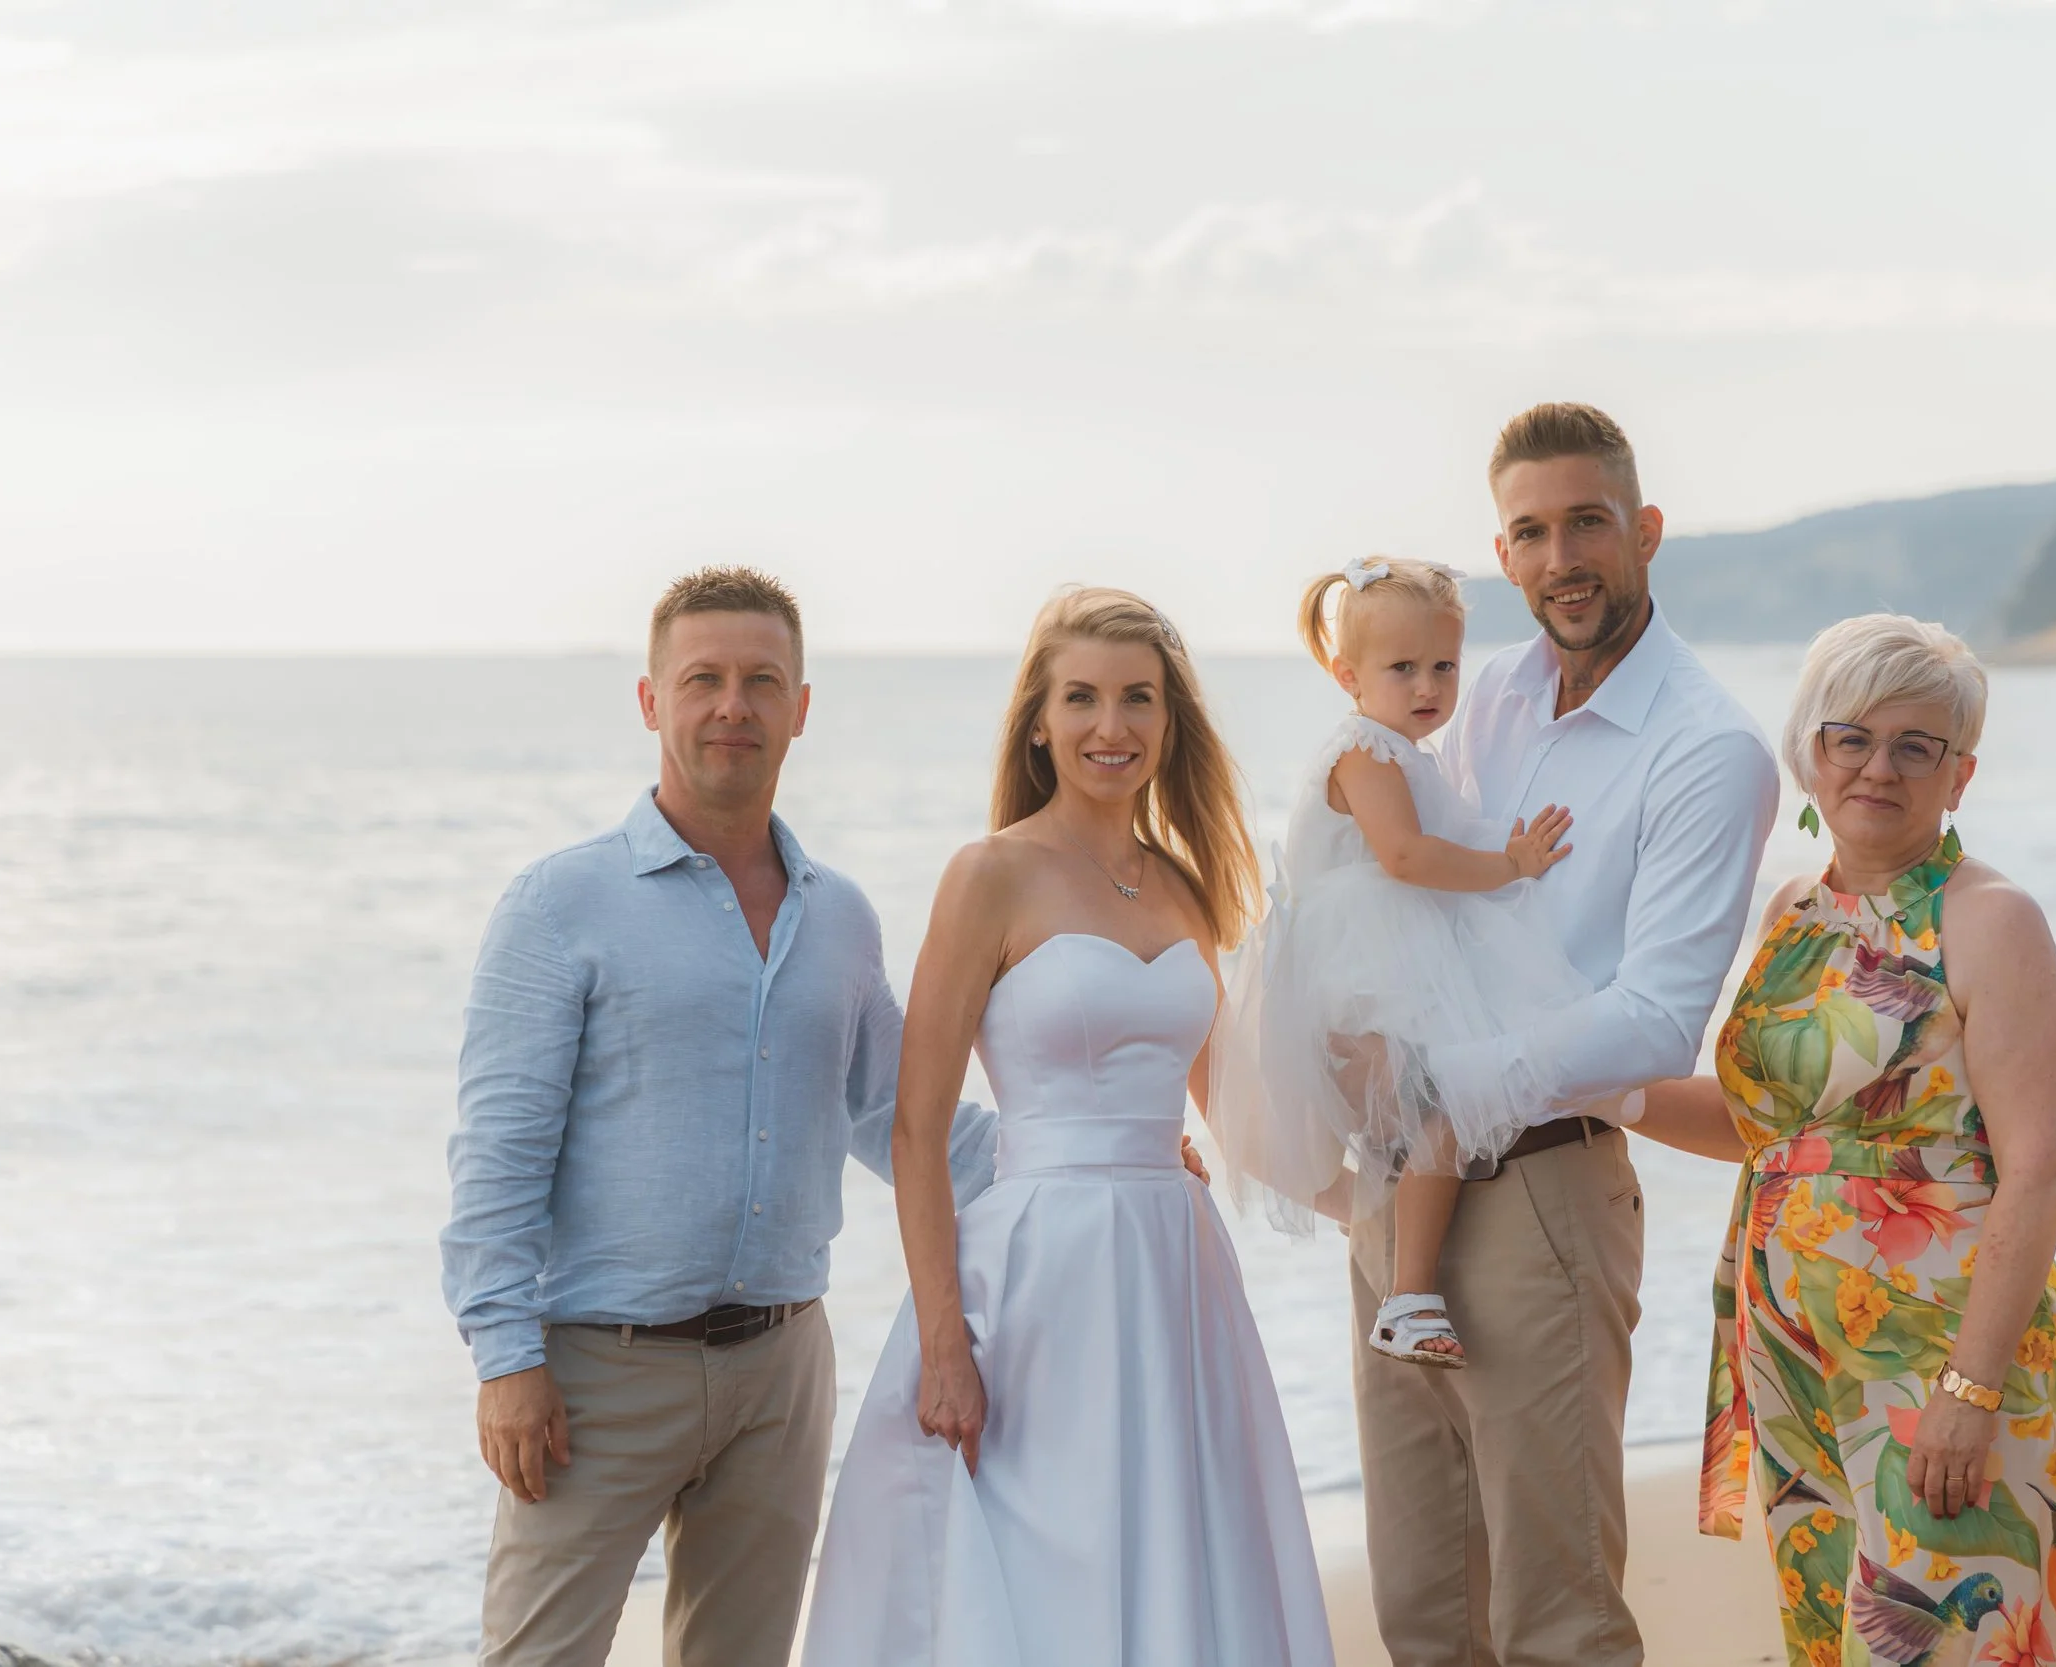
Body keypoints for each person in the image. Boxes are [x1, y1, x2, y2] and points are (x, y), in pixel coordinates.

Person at [441, 567, 1011, 1667]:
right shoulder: (559, 903)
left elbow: (897, 1108)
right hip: (595, 1376)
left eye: (761, 681)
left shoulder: (837, 912)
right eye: (701, 678)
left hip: (782, 1370)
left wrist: (1085, 1160)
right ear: (651, 699)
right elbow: (499, 1151)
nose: (731, 706)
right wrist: (504, 1357)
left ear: (802, 707)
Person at [1631, 614, 2056, 1667]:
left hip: (1939, 1356)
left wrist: (1968, 1391)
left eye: (1914, 745)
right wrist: (1596, 1087)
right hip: (1795, 1354)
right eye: (1850, 736)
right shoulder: (1791, 912)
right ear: (1810, 749)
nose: (1875, 766)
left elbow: (2042, 1166)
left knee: (1959, 1632)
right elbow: (1762, 1128)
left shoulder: (1990, 918)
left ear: (1959, 774)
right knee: (1851, 1635)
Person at [800, 587, 1334, 1666]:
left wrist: (1397, 1203)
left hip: (1176, 1274)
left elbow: (1242, 1113)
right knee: (1047, 1570)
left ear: (1168, 721)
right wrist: (944, 1342)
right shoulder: (987, 873)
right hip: (1034, 1273)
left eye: (1138, 698)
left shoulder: (1184, 886)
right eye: (1081, 697)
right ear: (1037, 722)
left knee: (1180, 1549)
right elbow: (914, 1130)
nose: (1111, 725)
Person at [1353, 403, 1781, 1667]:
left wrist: (1446, 1076)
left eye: (1586, 521)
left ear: (1643, 529)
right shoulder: (1481, 695)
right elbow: (1415, 900)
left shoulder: (1707, 749)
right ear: (1502, 551)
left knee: (1555, 1618)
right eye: (1531, 531)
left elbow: (1655, 1017)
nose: (1561, 557)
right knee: (1423, 1609)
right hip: (1404, 1185)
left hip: (1545, 1187)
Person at [1210, 555, 1601, 1371]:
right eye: (1402, 668)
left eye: (1444, 666)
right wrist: (1513, 867)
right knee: (1441, 1113)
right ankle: (1408, 1295)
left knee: (1434, 1119)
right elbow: (1407, 858)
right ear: (1348, 675)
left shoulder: (1401, 750)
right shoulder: (1367, 753)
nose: (1428, 685)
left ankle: (1408, 1285)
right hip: (1356, 978)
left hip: (1372, 969)